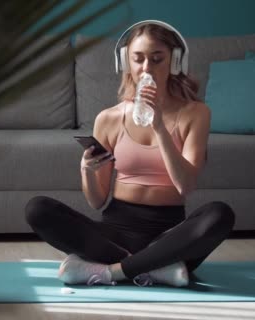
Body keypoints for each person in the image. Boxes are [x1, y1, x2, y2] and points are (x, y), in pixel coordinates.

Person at [25, 20, 235, 287]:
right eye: (138, 59)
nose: (146, 68)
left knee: (220, 214)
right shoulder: (108, 118)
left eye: (157, 59)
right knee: (38, 209)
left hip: (168, 237)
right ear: (126, 63)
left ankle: (113, 271)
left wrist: (160, 128)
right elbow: (97, 201)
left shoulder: (195, 113)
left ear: (175, 62)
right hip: (113, 234)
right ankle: (153, 268)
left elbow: (186, 185)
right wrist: (86, 171)